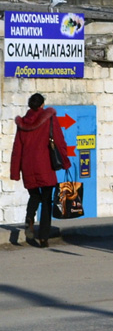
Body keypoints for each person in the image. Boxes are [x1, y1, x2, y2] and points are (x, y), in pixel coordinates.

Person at [9, 93, 69, 248]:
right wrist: (66, 162)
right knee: (47, 200)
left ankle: (30, 217)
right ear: (42, 105)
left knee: (34, 196)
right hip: (45, 165)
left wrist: (15, 172)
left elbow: (17, 149)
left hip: (27, 166)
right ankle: (43, 238)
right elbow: (59, 140)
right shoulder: (49, 118)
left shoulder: (22, 123)